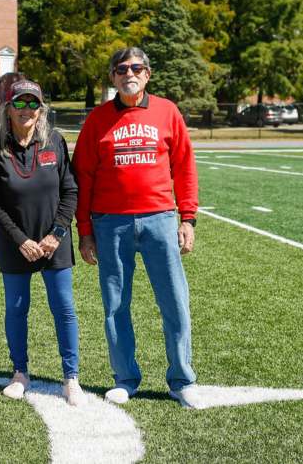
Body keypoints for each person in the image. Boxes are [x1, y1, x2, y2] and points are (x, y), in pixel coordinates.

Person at [72, 47, 199, 408]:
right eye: (121, 68)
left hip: (160, 218)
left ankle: (181, 379)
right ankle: (125, 377)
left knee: (174, 302)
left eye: (136, 67)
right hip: (110, 223)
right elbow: (83, 176)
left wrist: (187, 218)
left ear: (148, 74)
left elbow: (185, 168)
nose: (129, 73)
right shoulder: (97, 119)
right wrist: (84, 230)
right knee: (115, 304)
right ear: (112, 76)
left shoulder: (167, 111)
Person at [0, 79, 84, 406]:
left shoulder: (55, 142)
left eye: (32, 103)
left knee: (64, 308)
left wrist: (57, 233)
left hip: (55, 243)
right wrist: (20, 240)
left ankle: (71, 377)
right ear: (8, 109)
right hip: (16, 245)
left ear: (41, 109)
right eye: (19, 103)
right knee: (16, 309)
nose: (26, 109)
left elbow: (70, 190)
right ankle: (20, 373)